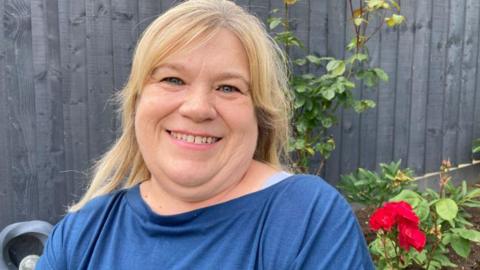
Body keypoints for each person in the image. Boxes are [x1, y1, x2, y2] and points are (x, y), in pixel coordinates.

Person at [36, 0, 374, 269]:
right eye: (172, 80)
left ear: (259, 115)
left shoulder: (305, 219)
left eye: (228, 87)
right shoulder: (82, 233)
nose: (197, 108)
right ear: (138, 100)